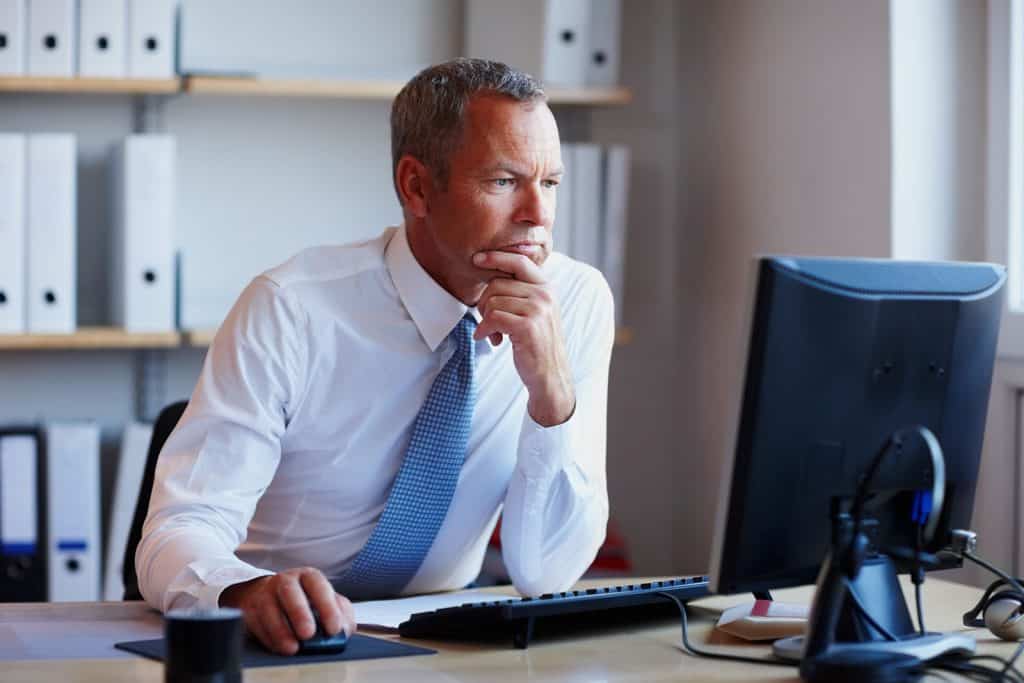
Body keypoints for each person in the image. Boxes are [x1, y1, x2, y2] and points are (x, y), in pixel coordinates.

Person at [136, 58, 615, 656]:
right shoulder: (292, 308)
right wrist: (243, 591)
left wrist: (551, 393)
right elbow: (177, 531)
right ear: (416, 186)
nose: (538, 217)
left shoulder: (573, 300)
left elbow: (546, 574)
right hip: (281, 642)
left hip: (447, 648)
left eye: (549, 183)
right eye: (502, 181)